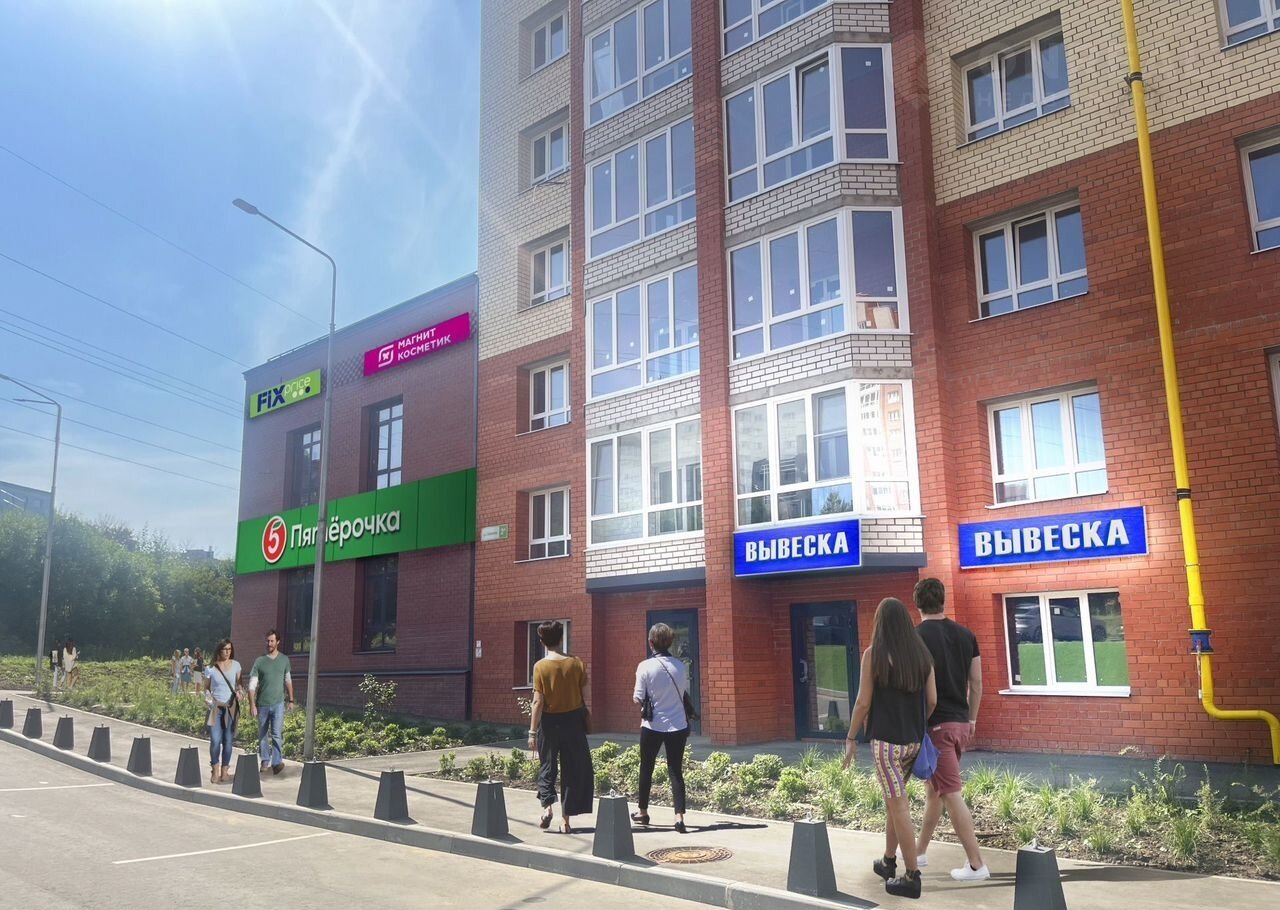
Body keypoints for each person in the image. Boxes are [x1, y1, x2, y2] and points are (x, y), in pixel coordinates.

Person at [845, 597, 936, 900]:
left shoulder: (874, 655)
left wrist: (850, 737)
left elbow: (863, 702)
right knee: (892, 802)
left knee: (898, 806)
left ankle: (912, 877)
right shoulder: (922, 655)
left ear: (880, 624)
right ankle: (888, 861)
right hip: (913, 743)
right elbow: (932, 701)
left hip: (886, 745)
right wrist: (915, 722)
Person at [912, 578, 990, 882]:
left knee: (951, 793)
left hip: (936, 727)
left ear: (917, 604)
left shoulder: (915, 637)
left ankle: (977, 865)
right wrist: (972, 720)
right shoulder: (967, 635)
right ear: (942, 600)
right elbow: (977, 683)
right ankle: (919, 852)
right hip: (959, 724)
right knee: (935, 791)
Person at [527, 621, 593, 834]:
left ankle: (547, 808)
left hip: (549, 723)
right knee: (572, 770)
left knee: (547, 766)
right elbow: (585, 696)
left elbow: (537, 702)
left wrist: (532, 732)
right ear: (561, 638)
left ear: (542, 642)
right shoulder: (577, 663)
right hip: (573, 722)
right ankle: (566, 822)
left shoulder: (540, 667)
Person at [631, 622, 690, 833]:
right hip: (678, 724)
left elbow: (637, 698)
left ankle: (643, 812)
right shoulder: (680, 666)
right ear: (670, 642)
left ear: (651, 643)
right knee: (675, 770)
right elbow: (683, 692)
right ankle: (679, 816)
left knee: (646, 767)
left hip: (652, 725)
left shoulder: (644, 666)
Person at [248, 629, 294, 775]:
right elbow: (252, 685)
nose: (269, 643)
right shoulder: (260, 661)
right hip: (262, 704)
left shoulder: (284, 660)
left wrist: (291, 700)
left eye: (272, 641)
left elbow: (288, 680)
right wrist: (252, 704)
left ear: (277, 642)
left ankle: (276, 762)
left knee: (277, 734)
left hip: (278, 703)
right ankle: (264, 760)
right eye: (267, 641)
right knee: (262, 734)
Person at [203, 638, 242, 784]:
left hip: (230, 708)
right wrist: (209, 700)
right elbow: (206, 688)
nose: (227, 652)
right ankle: (215, 769)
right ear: (219, 650)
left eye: (229, 649)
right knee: (215, 740)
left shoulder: (236, 665)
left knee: (228, 740)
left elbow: (239, 685)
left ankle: (225, 770)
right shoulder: (211, 669)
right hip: (216, 709)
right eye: (225, 649)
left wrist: (240, 693)